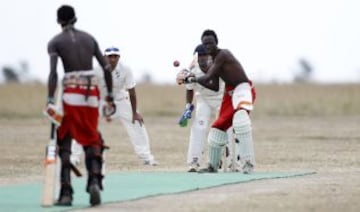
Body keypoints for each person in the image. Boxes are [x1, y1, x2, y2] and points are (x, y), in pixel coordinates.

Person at [46, 5, 114, 206]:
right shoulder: (89, 39)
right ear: (75, 18)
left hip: (71, 92)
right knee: (91, 136)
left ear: (58, 21)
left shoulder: (55, 42)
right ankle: (94, 180)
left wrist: (50, 99)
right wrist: (109, 95)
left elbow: (53, 74)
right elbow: (107, 68)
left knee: (65, 137)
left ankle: (66, 194)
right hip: (91, 93)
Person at [177, 29, 256, 173]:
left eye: (210, 43)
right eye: (205, 44)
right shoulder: (210, 61)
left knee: (240, 121)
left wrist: (190, 78)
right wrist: (190, 80)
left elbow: (208, 78)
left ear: (216, 43)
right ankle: (212, 166)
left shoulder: (223, 54)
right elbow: (213, 86)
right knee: (217, 129)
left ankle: (246, 164)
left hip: (242, 88)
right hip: (228, 93)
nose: (208, 47)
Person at [178, 44, 237, 172]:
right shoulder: (192, 69)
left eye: (206, 56)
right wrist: (188, 106)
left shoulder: (219, 66)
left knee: (229, 128)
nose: (204, 60)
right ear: (197, 57)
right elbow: (189, 89)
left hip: (222, 98)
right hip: (203, 99)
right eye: (201, 56)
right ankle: (194, 161)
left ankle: (233, 162)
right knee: (198, 127)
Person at [96, 46, 158, 166]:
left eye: (115, 56)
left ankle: (146, 157)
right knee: (85, 123)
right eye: (110, 56)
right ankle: (75, 156)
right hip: (102, 101)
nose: (113, 59)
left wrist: (134, 113)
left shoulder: (125, 69)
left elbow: (132, 92)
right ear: (104, 57)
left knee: (137, 123)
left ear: (119, 57)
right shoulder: (97, 70)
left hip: (121, 100)